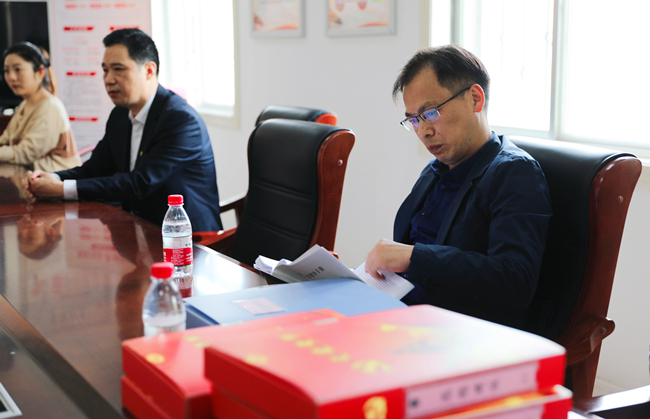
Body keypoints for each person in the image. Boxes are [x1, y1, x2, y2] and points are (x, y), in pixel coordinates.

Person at [364, 45, 552, 330]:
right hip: (399, 311)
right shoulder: (436, 169)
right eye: (413, 120)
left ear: (475, 98)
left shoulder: (514, 172)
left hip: (453, 331)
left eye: (430, 113)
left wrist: (415, 257)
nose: (423, 131)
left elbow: (515, 280)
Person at [24, 29, 222, 231]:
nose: (109, 79)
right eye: (105, 70)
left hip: (186, 238)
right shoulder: (120, 115)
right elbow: (93, 169)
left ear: (149, 70)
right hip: (137, 228)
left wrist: (61, 190)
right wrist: (53, 178)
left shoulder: (181, 120)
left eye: (118, 69)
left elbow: (139, 183)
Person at [0, 42, 81, 171]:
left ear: (40, 72)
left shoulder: (50, 107)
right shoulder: (25, 104)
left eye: (18, 69)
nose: (11, 77)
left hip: (56, 180)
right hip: (31, 177)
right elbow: (5, 140)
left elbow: (25, 154)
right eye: (6, 71)